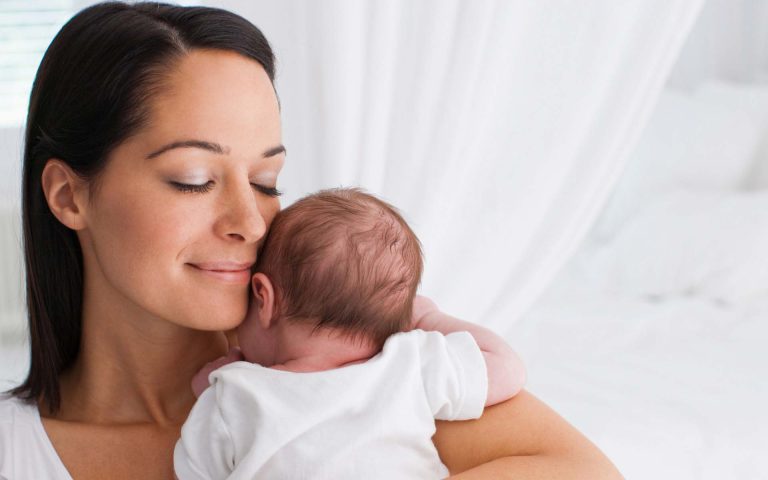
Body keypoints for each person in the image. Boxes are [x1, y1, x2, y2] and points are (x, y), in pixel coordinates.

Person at [0, 2, 623, 479]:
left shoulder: (357, 358)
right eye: (193, 180)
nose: (252, 220)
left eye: (266, 180)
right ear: (69, 195)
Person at [174, 187, 527, 479]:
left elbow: (191, 472)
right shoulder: (408, 365)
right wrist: (431, 318)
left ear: (263, 298)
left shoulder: (235, 395)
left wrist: (207, 392)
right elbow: (506, 369)